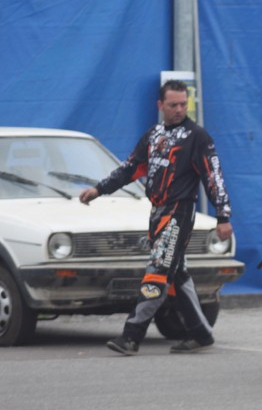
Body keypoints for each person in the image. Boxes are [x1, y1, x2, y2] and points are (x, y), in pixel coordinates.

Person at [79, 80, 233, 355]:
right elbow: (129, 169)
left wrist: (223, 215)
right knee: (177, 274)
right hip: (157, 212)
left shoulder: (197, 136)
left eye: (183, 104)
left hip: (179, 213)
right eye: (173, 104)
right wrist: (98, 189)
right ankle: (200, 333)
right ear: (160, 105)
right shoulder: (153, 135)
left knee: (158, 271)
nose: (179, 109)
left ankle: (131, 336)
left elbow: (214, 177)